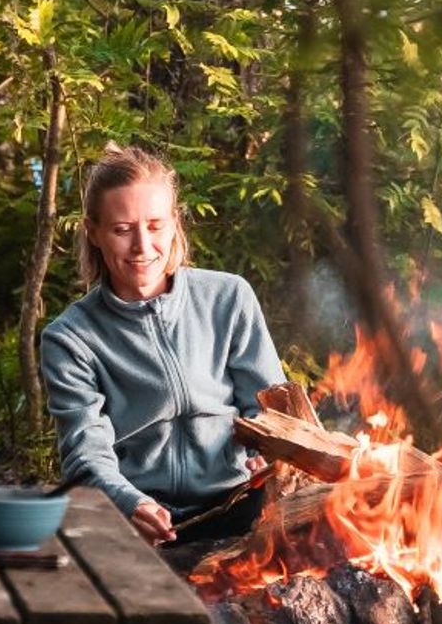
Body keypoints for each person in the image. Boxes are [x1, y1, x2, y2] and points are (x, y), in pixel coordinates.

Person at [37, 143, 291, 548]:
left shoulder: (228, 298)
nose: (142, 246)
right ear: (94, 232)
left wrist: (269, 452)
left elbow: (271, 408)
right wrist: (129, 503)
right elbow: (85, 453)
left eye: (155, 225)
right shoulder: (70, 338)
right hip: (139, 523)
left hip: (242, 505)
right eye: (122, 230)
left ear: (175, 223)